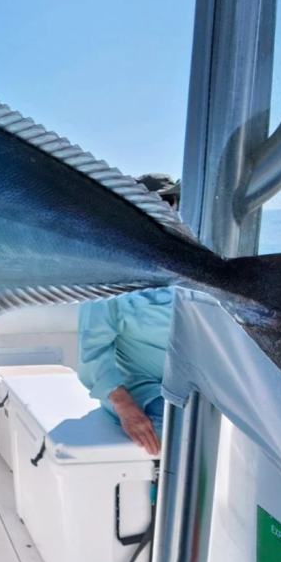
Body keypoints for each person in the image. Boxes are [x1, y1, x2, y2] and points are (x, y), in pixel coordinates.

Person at [76, 173, 181, 457]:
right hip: (144, 390)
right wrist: (126, 407)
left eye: (168, 200)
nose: (161, 208)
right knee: (176, 437)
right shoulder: (106, 274)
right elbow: (94, 351)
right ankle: (157, 499)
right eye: (147, 204)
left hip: (195, 386)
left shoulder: (190, 259)